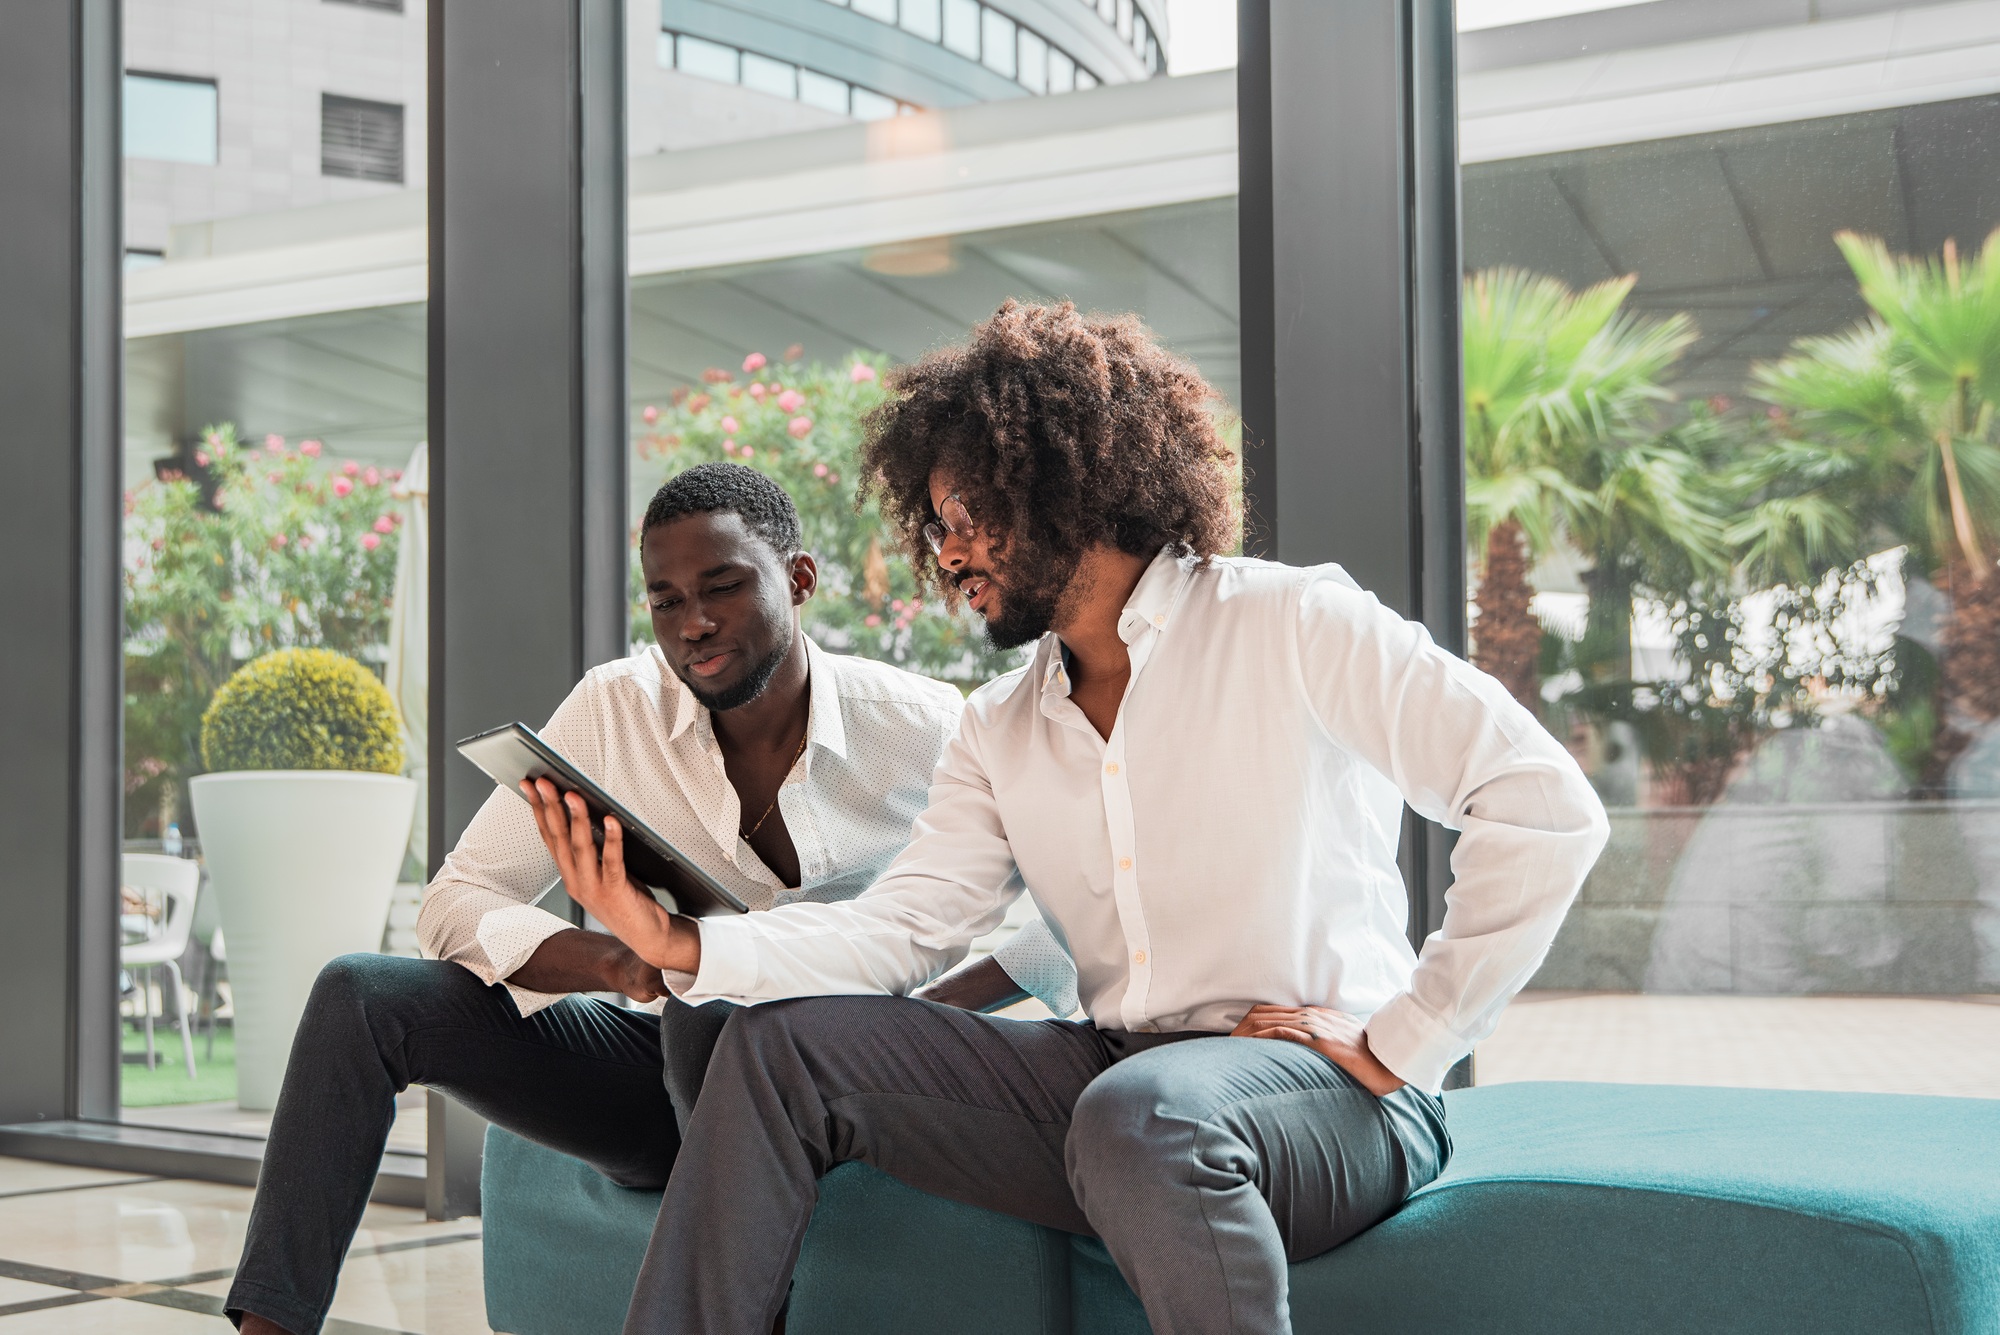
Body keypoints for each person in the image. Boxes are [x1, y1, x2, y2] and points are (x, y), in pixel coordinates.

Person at [533, 303, 1612, 1335]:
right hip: (1115, 1080)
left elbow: (1541, 802)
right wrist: (674, 940)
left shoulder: (1289, 622)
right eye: (934, 526)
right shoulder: (1000, 725)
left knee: (1143, 1112)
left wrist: (1407, 1037)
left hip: (1326, 1100)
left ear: (1063, 488)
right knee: (778, 1049)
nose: (946, 556)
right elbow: (904, 927)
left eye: (967, 520)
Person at [225, 463, 1074, 1335]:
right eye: (665, 600)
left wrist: (913, 1008)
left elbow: (1061, 915)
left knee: (728, 1010)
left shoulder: (923, 724)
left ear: (800, 578)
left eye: (724, 587)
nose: (693, 624)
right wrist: (624, 958)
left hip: (848, 1083)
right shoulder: (614, 708)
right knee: (362, 996)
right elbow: (455, 899)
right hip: (672, 1064)